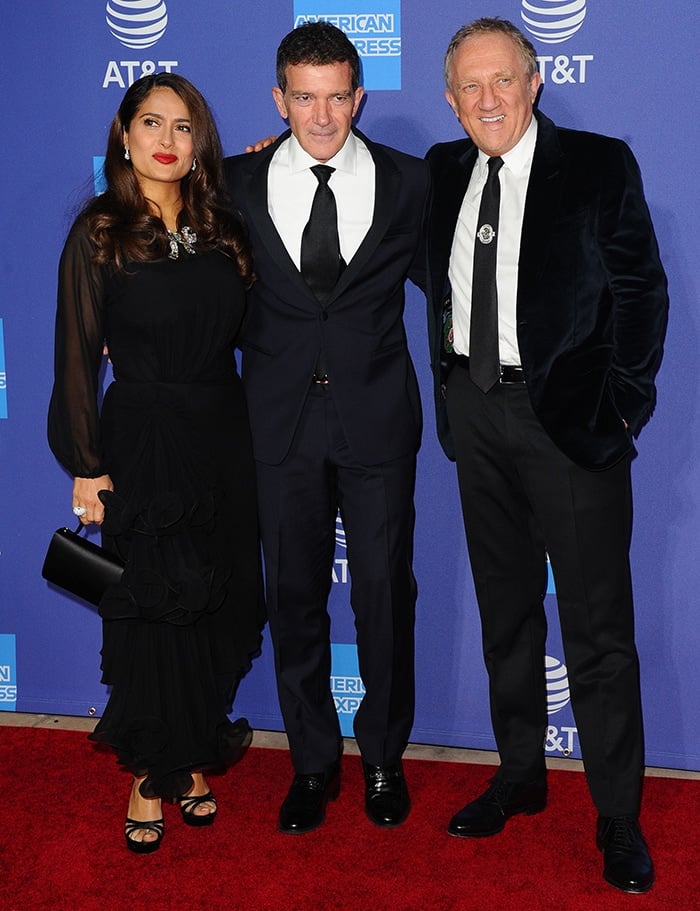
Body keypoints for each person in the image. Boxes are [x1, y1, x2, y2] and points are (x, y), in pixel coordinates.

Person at [423, 18, 668, 893]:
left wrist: (619, 409)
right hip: (475, 421)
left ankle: (617, 815)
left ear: (535, 81)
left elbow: (644, 294)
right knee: (507, 614)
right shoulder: (444, 173)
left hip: (571, 429)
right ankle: (520, 773)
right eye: (469, 87)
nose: (488, 100)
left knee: (599, 635)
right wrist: (263, 155)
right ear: (451, 101)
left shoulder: (600, 165)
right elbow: (348, 188)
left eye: (503, 81)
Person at [48, 73, 265, 853]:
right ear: (125, 132)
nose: (167, 139)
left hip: (222, 431)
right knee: (152, 607)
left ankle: (196, 748)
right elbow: (75, 356)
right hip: (141, 437)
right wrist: (85, 463)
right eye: (151, 122)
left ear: (198, 140)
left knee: (215, 601)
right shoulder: (100, 232)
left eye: (183, 126)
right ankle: (152, 772)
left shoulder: (223, 226)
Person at [224, 22, 430, 834]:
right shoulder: (233, 181)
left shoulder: (412, 182)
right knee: (295, 597)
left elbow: (466, 281)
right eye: (303, 97)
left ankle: (382, 757)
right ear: (279, 98)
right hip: (277, 427)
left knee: (383, 596)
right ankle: (312, 762)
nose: (321, 115)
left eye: (337, 95)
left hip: (377, 423)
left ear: (359, 96)